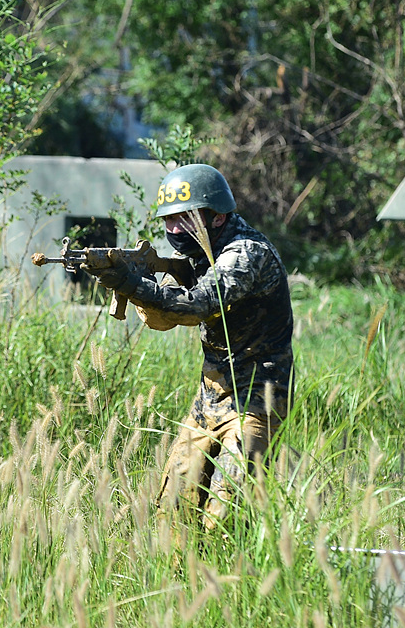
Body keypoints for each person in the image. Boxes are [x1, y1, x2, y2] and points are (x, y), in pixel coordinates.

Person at [83, 163, 294, 529]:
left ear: (216, 216)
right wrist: (137, 285)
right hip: (210, 397)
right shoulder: (200, 254)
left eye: (186, 219)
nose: (175, 230)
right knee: (174, 506)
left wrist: (134, 284)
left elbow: (196, 305)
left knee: (228, 511)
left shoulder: (246, 254)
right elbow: (166, 318)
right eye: (169, 221)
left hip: (257, 399)